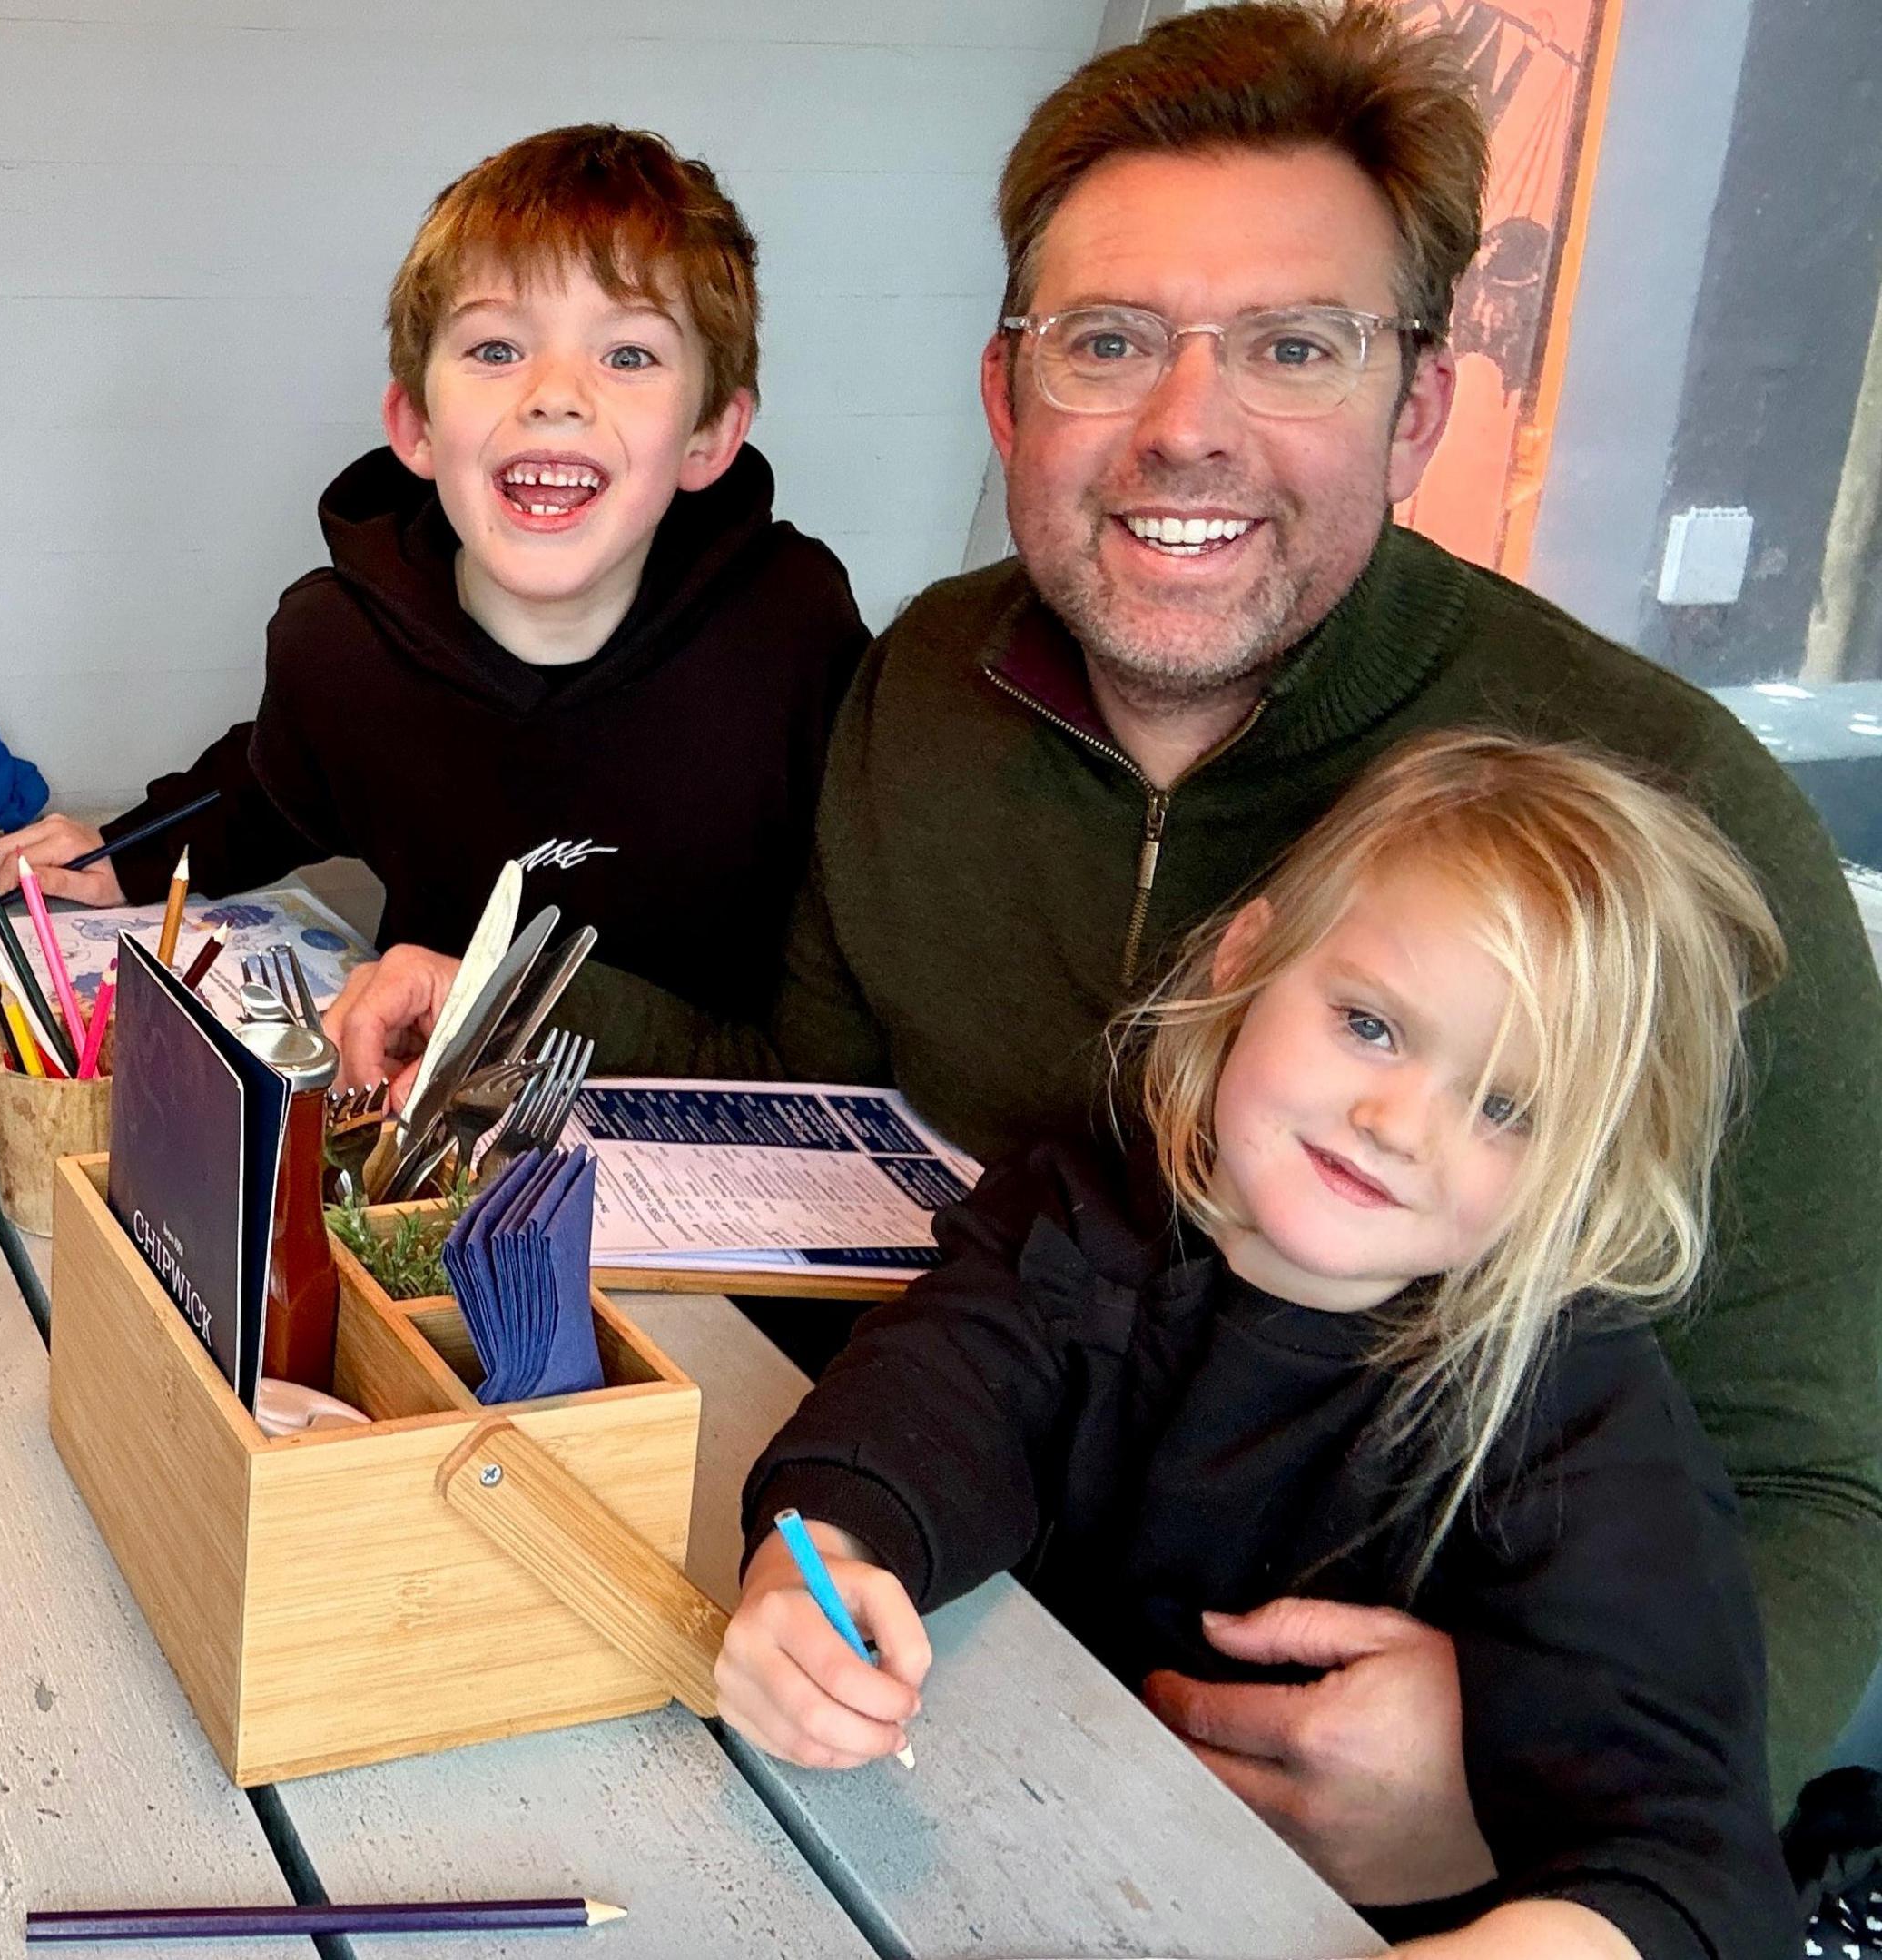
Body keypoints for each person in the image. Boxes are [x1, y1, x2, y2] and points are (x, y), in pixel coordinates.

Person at [330, 0, 1882, 1862]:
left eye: (1294, 347)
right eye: (1110, 342)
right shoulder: (918, 680)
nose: (1185, 427)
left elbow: (1824, 1481)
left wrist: (1512, 1780)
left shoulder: (1667, 821)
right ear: (1009, 392)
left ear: (1418, 406)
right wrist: (510, 1015)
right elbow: (821, 1103)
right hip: (896, 1672)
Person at [722, 734, 1796, 1956]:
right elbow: (930, 1392)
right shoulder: (1090, 1221)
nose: (1395, 1121)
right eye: (1371, 1025)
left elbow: (1691, 1862)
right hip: (985, 1851)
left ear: (1581, 1170)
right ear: (1247, 961)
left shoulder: (1578, 1419)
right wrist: (821, 1559)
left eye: (1502, 1104)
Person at [0, 124, 863, 1045]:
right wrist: (128, 852)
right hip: (428, 1116)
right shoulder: (340, 647)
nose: (555, 394)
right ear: (414, 426)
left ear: (710, 438)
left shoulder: (793, 633)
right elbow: (269, 786)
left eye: (628, 354)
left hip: (719, 1122)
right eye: (496, 349)